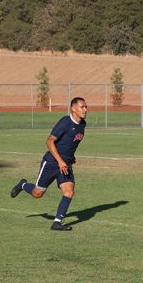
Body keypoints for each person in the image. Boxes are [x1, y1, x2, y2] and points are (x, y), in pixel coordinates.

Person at [10, 96, 88, 231]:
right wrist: (60, 160)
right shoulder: (64, 122)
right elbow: (50, 141)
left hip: (65, 165)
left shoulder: (82, 124)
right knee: (37, 193)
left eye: (86, 107)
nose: (85, 109)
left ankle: (57, 222)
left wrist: (70, 157)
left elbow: (70, 143)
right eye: (82, 107)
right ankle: (23, 185)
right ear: (73, 109)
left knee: (69, 192)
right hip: (52, 163)